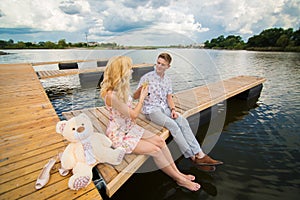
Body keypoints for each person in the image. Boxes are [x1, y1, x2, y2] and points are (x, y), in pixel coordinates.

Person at [100, 56, 201, 191]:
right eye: (129, 69)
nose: (131, 71)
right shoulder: (111, 95)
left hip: (129, 127)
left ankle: (178, 173)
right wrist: (142, 98)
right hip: (119, 134)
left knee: (160, 141)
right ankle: (179, 180)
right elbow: (134, 114)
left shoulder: (121, 88)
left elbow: (129, 112)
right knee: (155, 150)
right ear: (121, 72)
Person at [133, 53, 223, 171]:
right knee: (173, 125)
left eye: (163, 64)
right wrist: (140, 90)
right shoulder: (146, 78)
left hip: (164, 107)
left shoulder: (168, 80)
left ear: (168, 67)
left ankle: (200, 154)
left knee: (182, 121)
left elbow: (169, 98)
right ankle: (192, 157)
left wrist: (173, 110)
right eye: (158, 63)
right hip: (151, 110)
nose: (159, 66)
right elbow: (135, 96)